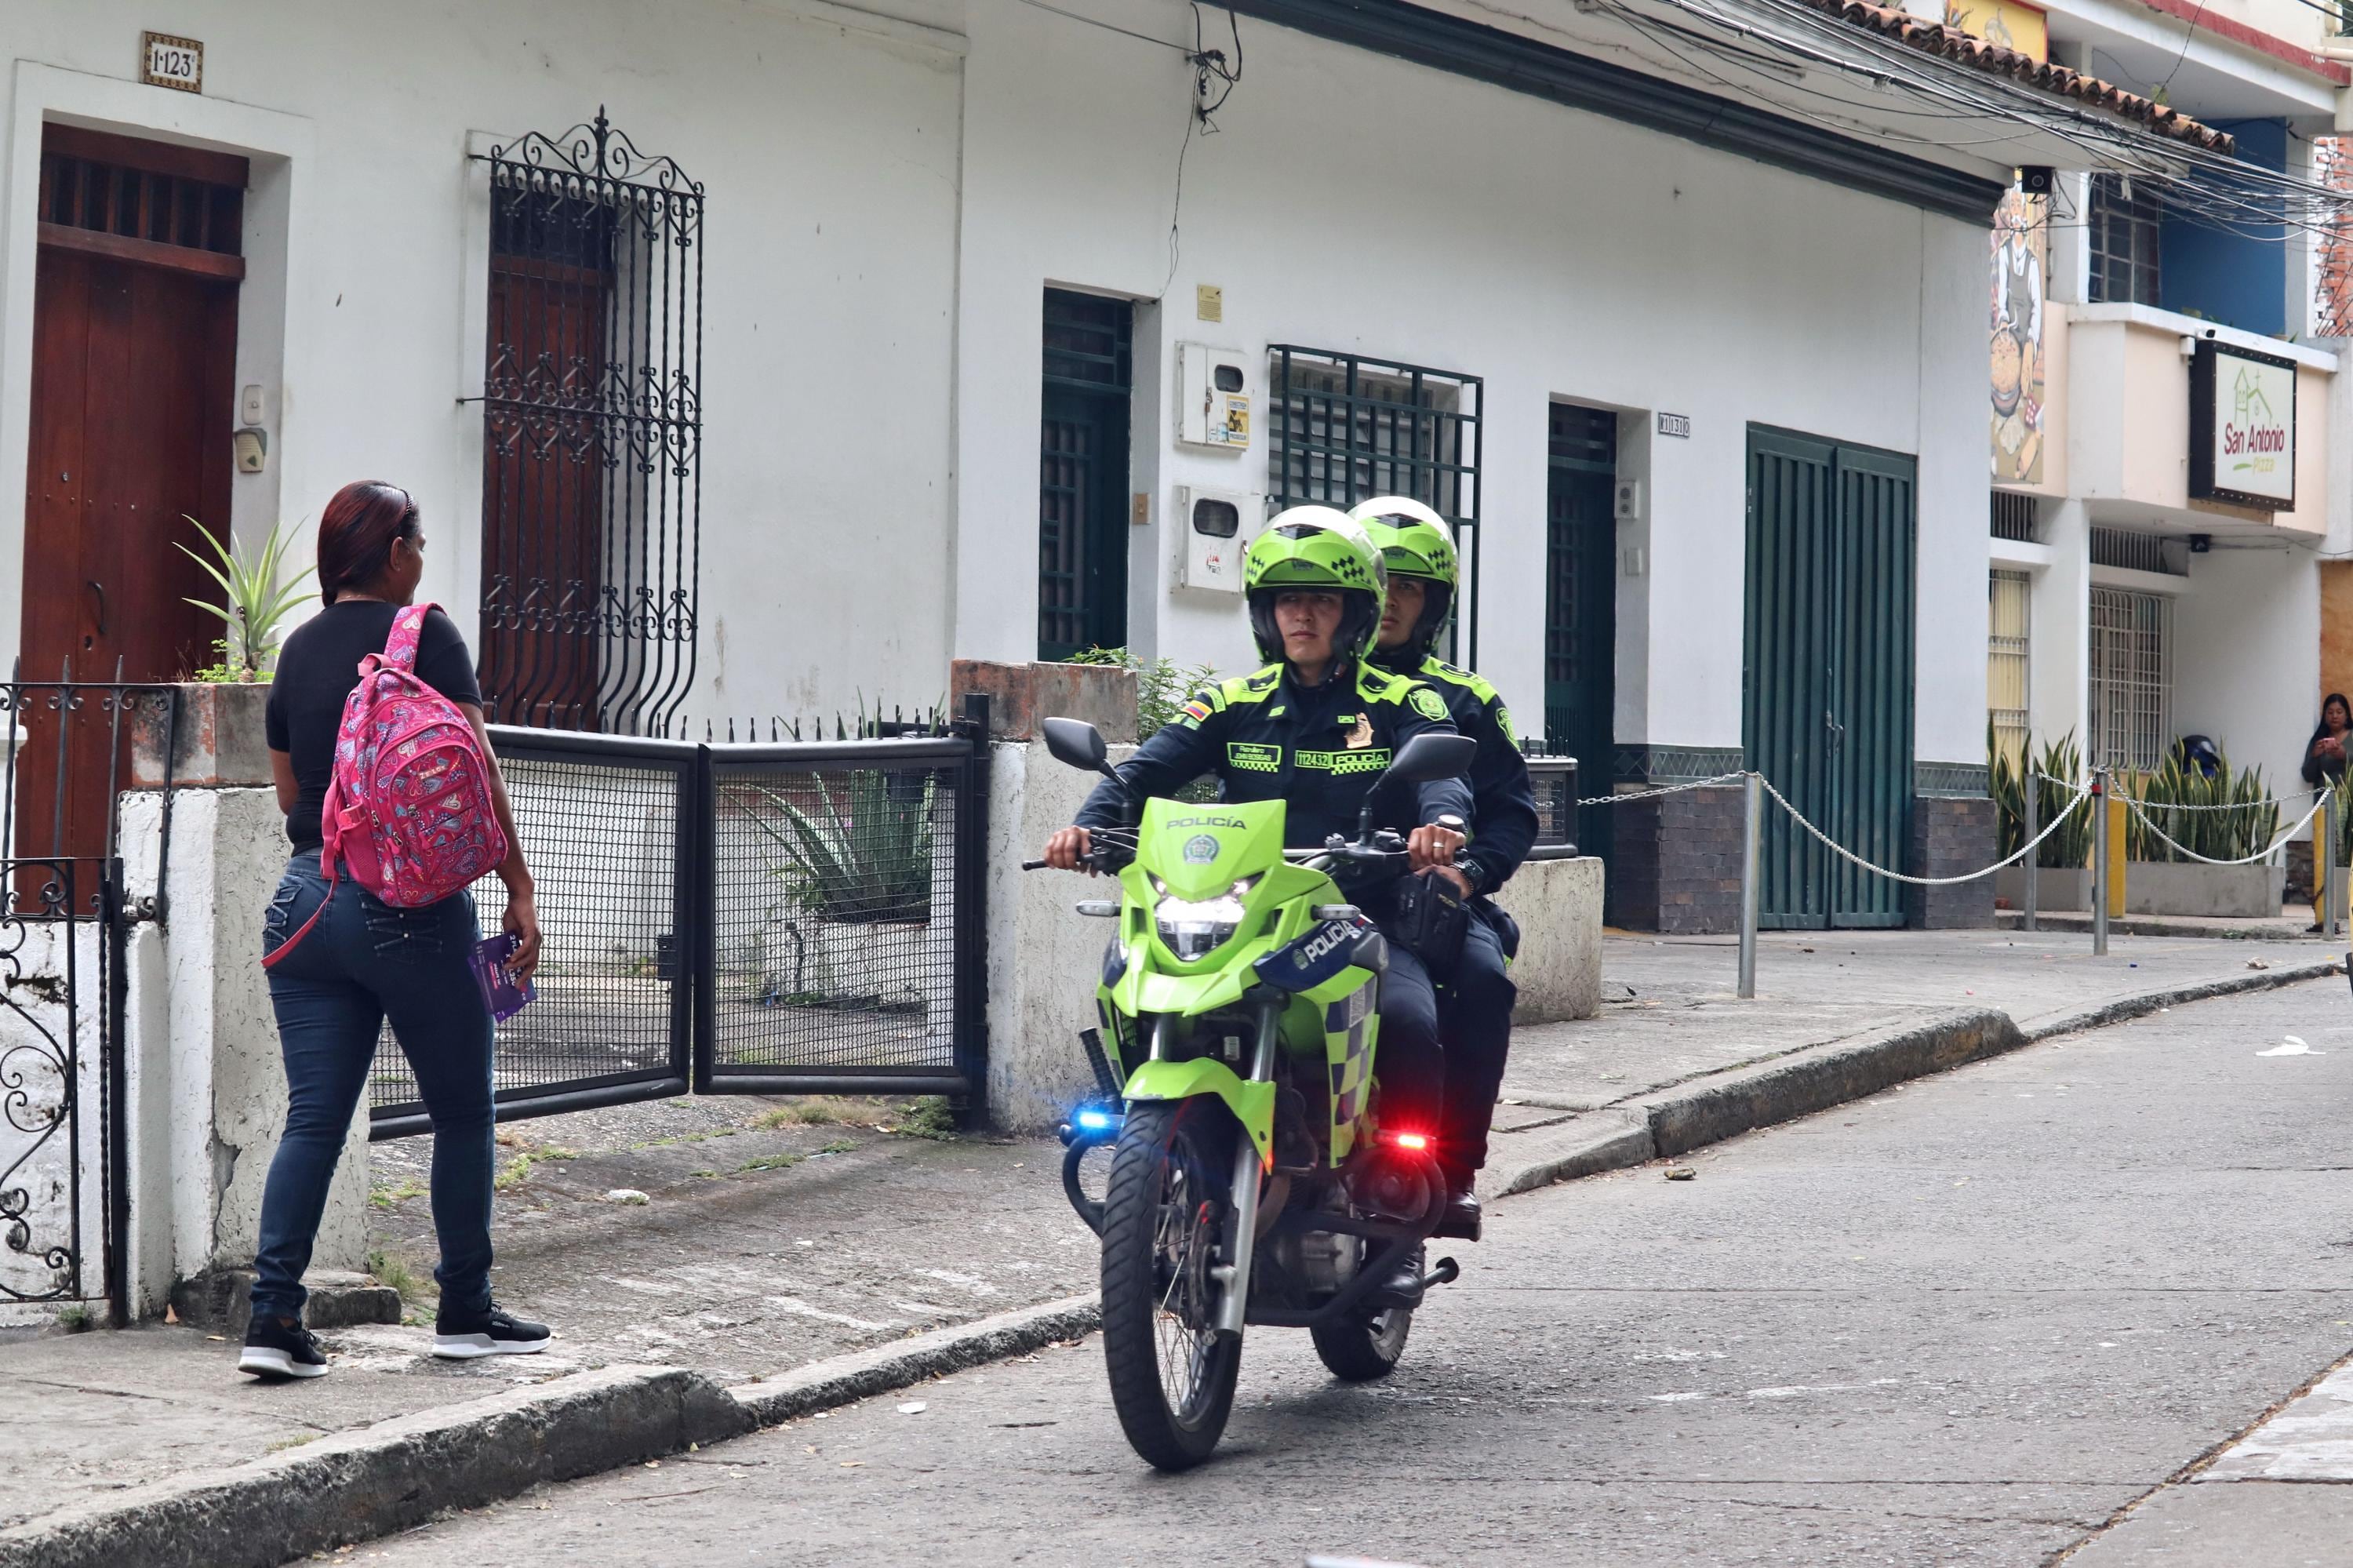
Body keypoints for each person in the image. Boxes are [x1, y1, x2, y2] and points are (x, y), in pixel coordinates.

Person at [1041, 507, 1471, 1247]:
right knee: (1126, 979)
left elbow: (1444, 781)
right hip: (1246, 916)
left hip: (1354, 917)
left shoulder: (1403, 702)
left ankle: (1397, 1206)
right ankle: (1154, 1147)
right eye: (1285, 599)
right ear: (1266, 614)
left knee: (1407, 1019)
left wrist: (1443, 828)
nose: (1301, 614)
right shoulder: (1232, 703)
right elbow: (1143, 773)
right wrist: (1087, 826)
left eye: (1322, 600)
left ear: (1355, 613)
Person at [239, 482, 547, 1381]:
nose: (424, 556)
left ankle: (272, 1320)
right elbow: (478, 769)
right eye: (418, 540)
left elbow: (295, 799)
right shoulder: (426, 636)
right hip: (407, 910)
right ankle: (464, 1310)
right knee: (460, 1109)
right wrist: (518, 886)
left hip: (304, 905)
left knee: (314, 1120)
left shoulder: (294, 651)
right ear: (394, 553)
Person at [1351, 496, 1537, 1241]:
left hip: (1431, 900)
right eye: (1379, 583)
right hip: (1309, 891)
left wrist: (1466, 872)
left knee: (1484, 982)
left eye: (1410, 587)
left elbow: (1515, 811)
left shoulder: (1466, 699)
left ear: (1433, 603)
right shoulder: (1296, 690)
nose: (1390, 601)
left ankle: (1450, 1172)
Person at [2303, 693, 2351, 933]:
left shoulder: (2351, 739)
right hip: (2323, 808)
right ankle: (2323, 914)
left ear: (2347, 714)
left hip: (2347, 807)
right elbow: (2308, 774)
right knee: (2323, 857)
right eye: (2330, 712)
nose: (2334, 716)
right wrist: (2316, 755)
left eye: (2339, 712)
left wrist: (2344, 756)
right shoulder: (2318, 740)